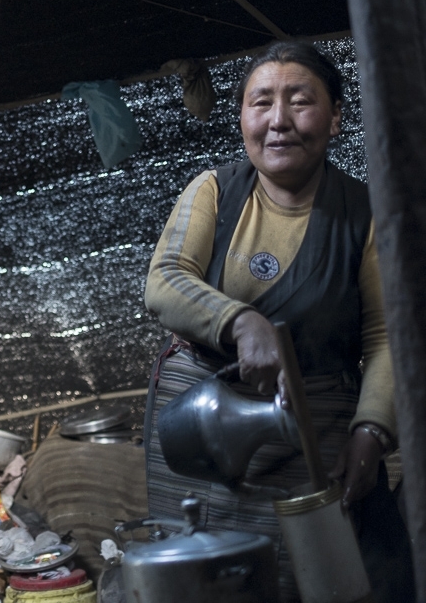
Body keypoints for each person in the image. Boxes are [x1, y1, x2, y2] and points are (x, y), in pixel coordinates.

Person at [142, 40, 413, 602]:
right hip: (198, 426)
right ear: (242, 115)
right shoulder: (213, 191)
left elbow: (388, 337)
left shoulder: (365, 216)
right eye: (260, 102)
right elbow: (164, 280)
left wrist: (371, 433)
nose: (278, 121)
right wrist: (240, 321)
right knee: (195, 577)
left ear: (336, 117)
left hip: (309, 433)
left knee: (300, 581)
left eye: (300, 101)